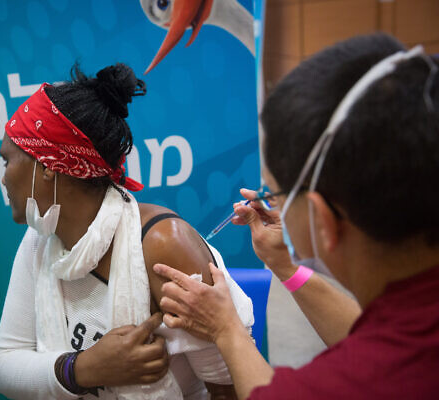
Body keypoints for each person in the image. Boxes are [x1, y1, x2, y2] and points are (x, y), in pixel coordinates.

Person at [153, 33, 439, 399]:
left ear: (323, 219)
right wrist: (285, 266)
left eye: (276, 194)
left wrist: (227, 330)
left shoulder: (339, 387)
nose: (273, 205)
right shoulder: (410, 334)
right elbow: (377, 335)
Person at [0, 63, 254, 399]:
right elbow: (4, 363)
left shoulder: (163, 245)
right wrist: (84, 369)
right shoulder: (41, 238)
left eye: (7, 161)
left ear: (47, 167)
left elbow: (231, 390)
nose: (3, 177)